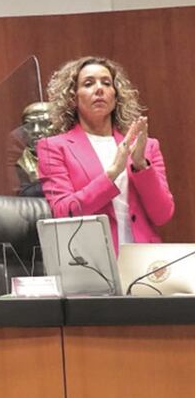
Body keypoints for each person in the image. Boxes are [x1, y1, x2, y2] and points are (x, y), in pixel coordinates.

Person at [36, 57, 174, 252]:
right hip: (91, 261)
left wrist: (141, 166)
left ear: (116, 97)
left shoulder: (147, 146)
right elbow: (63, 212)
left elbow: (163, 214)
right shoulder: (54, 147)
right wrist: (112, 174)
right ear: (72, 98)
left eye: (106, 83)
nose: (99, 89)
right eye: (88, 83)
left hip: (143, 262)